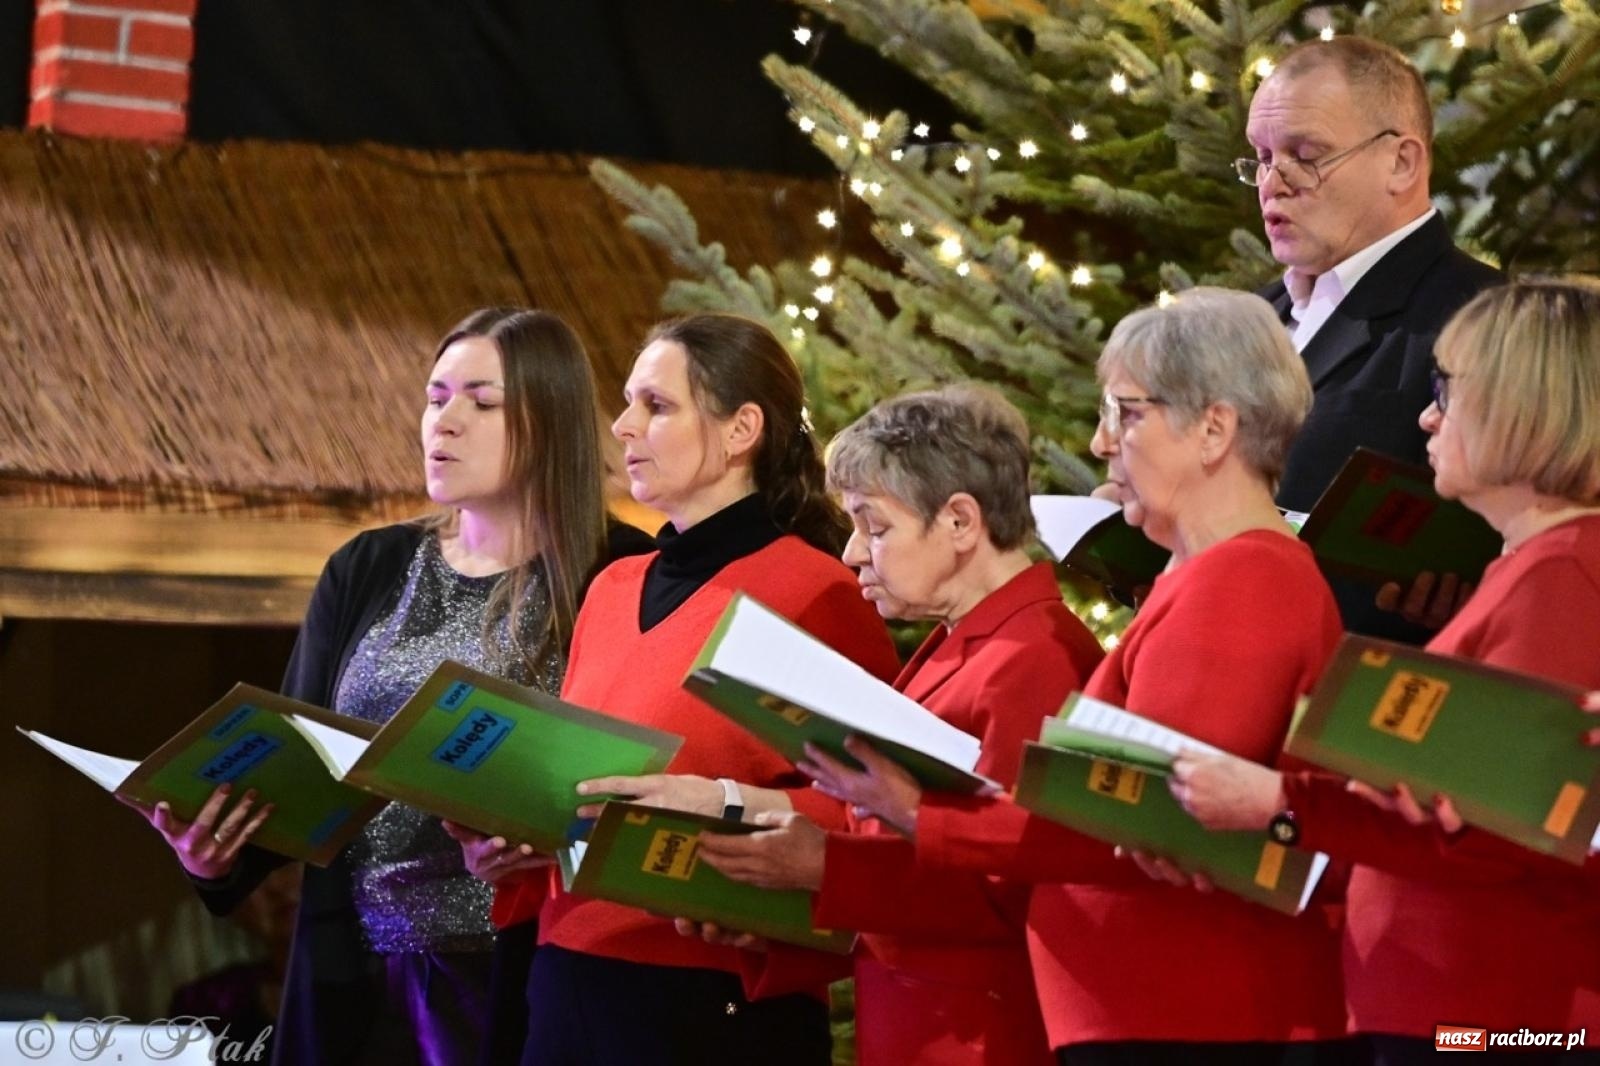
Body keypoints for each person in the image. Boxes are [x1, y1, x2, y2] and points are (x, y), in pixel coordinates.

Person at [796, 290, 1352, 1063]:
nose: (1100, 443)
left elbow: (1150, 822)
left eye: (1125, 413)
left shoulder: (1242, 580)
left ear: (1214, 429)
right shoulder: (1215, 574)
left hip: (1190, 1012)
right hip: (1163, 1010)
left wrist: (925, 812)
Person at [128, 307, 652, 1066]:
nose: (445, 421)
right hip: (354, 974)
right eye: (436, 397)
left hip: (529, 971)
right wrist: (212, 856)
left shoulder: (619, 573)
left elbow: (639, 779)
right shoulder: (367, 566)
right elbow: (295, 757)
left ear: (552, 420)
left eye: (481, 401)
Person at [1170, 277, 1600, 1063]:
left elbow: (1492, 834)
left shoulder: (1560, 577)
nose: (1428, 416)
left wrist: (1278, 802)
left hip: (1496, 1007)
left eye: (1449, 390)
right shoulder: (1533, 570)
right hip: (1460, 999)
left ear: (1525, 403)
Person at [483, 312, 900, 1066]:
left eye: (657, 405)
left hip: (709, 999)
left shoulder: (817, 592)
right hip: (566, 977)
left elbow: (874, 812)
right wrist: (518, 837)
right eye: (629, 402)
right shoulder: (612, 586)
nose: (623, 424)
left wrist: (723, 808)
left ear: (743, 429)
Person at [691, 384, 1105, 1066]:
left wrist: (825, 869)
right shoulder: (962, 641)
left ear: (961, 522)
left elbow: (1024, 889)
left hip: (981, 1037)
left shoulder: (1034, 659)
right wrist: (779, 916)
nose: (854, 552)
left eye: (874, 526)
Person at [1241, 35, 1503, 637]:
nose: (1273, 182)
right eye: (1261, 156)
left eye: (1306, 155)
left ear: (1402, 162)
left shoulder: (1486, 318)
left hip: (1357, 684)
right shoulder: (1257, 316)